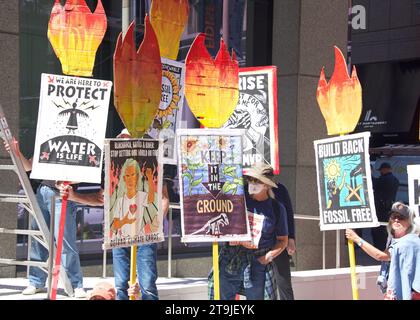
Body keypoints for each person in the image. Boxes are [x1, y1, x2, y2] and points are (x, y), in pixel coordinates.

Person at [2, 139, 87, 298]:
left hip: (64, 194)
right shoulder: (48, 140)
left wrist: (67, 181)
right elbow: (30, 167)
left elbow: (86, 173)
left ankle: (76, 284)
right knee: (39, 239)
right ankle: (36, 281)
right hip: (44, 191)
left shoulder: (78, 143)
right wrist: (16, 151)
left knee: (65, 241)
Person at [215, 163, 288, 300]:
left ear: (267, 185)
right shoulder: (237, 200)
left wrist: (267, 258)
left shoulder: (277, 208)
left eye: (257, 181)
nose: (252, 184)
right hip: (231, 257)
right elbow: (223, 222)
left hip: (258, 261)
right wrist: (233, 237)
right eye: (250, 180)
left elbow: (283, 241)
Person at [345, 202, 420, 300]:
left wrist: (357, 239)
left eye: (401, 217)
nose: (396, 220)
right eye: (394, 216)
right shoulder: (394, 240)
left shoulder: (409, 241)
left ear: (409, 222)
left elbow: (380, 256)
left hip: (411, 294)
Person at [272, 182, 296, 300]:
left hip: (279, 241)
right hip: (256, 246)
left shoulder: (280, 189)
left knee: (283, 283)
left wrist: (291, 237)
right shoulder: (247, 190)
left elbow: (289, 213)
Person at [372, 162, 399, 250]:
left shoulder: (382, 180)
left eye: (381, 170)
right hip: (390, 207)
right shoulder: (395, 180)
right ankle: (387, 247)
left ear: (385, 169)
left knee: (378, 229)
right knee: (387, 229)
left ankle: (379, 248)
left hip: (380, 208)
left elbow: (375, 185)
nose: (380, 172)